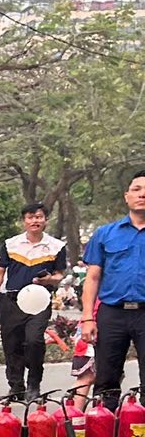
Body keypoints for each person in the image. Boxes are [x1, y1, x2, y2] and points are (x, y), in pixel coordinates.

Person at [0, 202, 70, 402]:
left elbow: (59, 275)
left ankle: (34, 384)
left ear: (45, 220)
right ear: (24, 221)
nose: (35, 221)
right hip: (11, 300)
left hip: (40, 300)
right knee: (11, 344)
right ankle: (16, 387)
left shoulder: (56, 246)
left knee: (34, 340)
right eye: (30, 217)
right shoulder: (10, 244)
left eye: (39, 217)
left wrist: (49, 279)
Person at [79, 167, 145, 407]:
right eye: (136, 190)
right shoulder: (105, 234)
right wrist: (88, 318)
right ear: (126, 196)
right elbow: (93, 277)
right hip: (112, 313)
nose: (142, 195)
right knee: (106, 379)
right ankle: (106, 433)